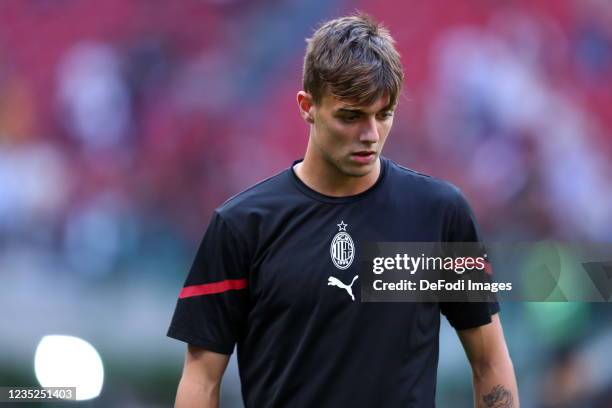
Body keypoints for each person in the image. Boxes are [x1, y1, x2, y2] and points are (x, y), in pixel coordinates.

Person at [168, 13, 519, 408]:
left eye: (383, 115)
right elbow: (201, 379)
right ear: (307, 105)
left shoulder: (441, 214)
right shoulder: (240, 227)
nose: (370, 134)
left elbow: (490, 362)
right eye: (350, 116)